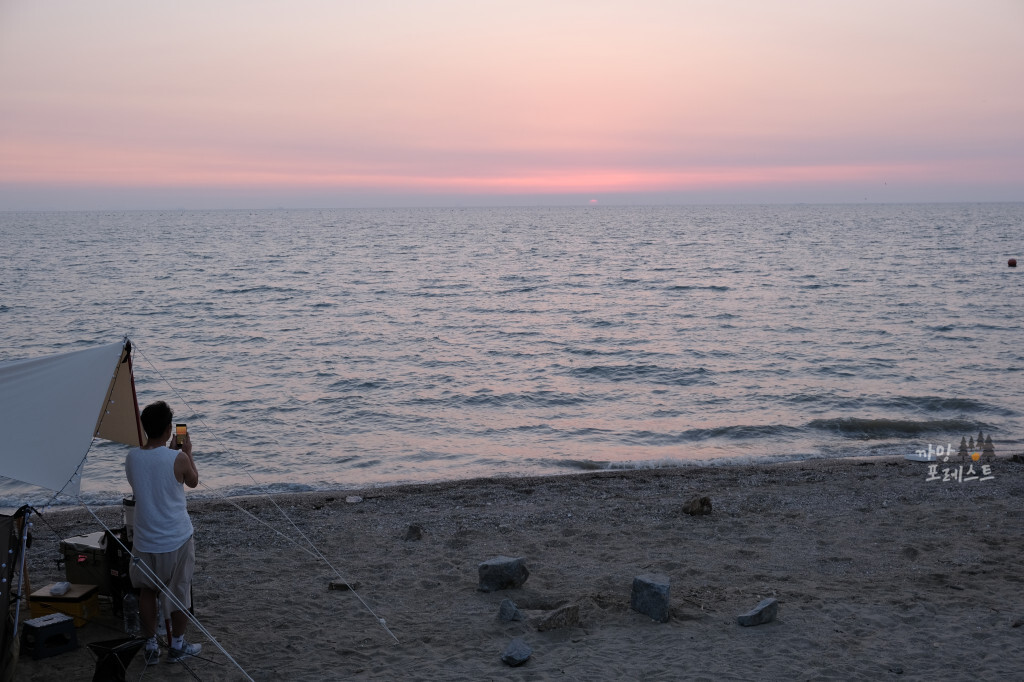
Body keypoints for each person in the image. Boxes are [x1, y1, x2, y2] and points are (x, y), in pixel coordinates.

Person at [124, 400, 201, 665]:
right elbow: (192, 481)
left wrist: (172, 454)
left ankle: (150, 647)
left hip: (145, 538)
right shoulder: (177, 457)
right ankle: (177, 646)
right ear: (169, 428)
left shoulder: (132, 457)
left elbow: (150, 480)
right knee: (179, 591)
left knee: (147, 592)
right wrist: (187, 452)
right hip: (176, 537)